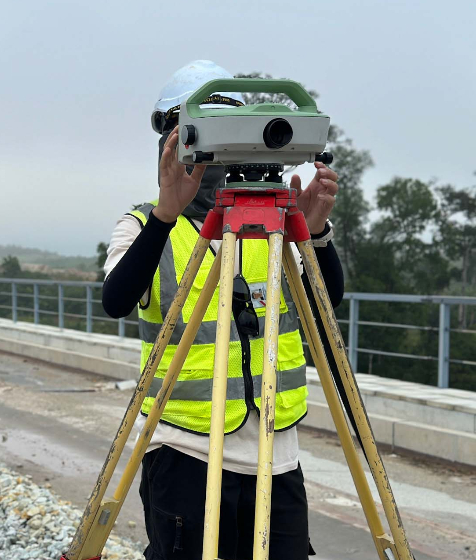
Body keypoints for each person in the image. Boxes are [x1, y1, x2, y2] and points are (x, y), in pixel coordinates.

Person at [101, 60, 343, 560]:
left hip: (276, 451)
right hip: (184, 447)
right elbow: (116, 301)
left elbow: (326, 309)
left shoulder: (272, 225)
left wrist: (314, 233)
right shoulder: (143, 225)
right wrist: (167, 213)